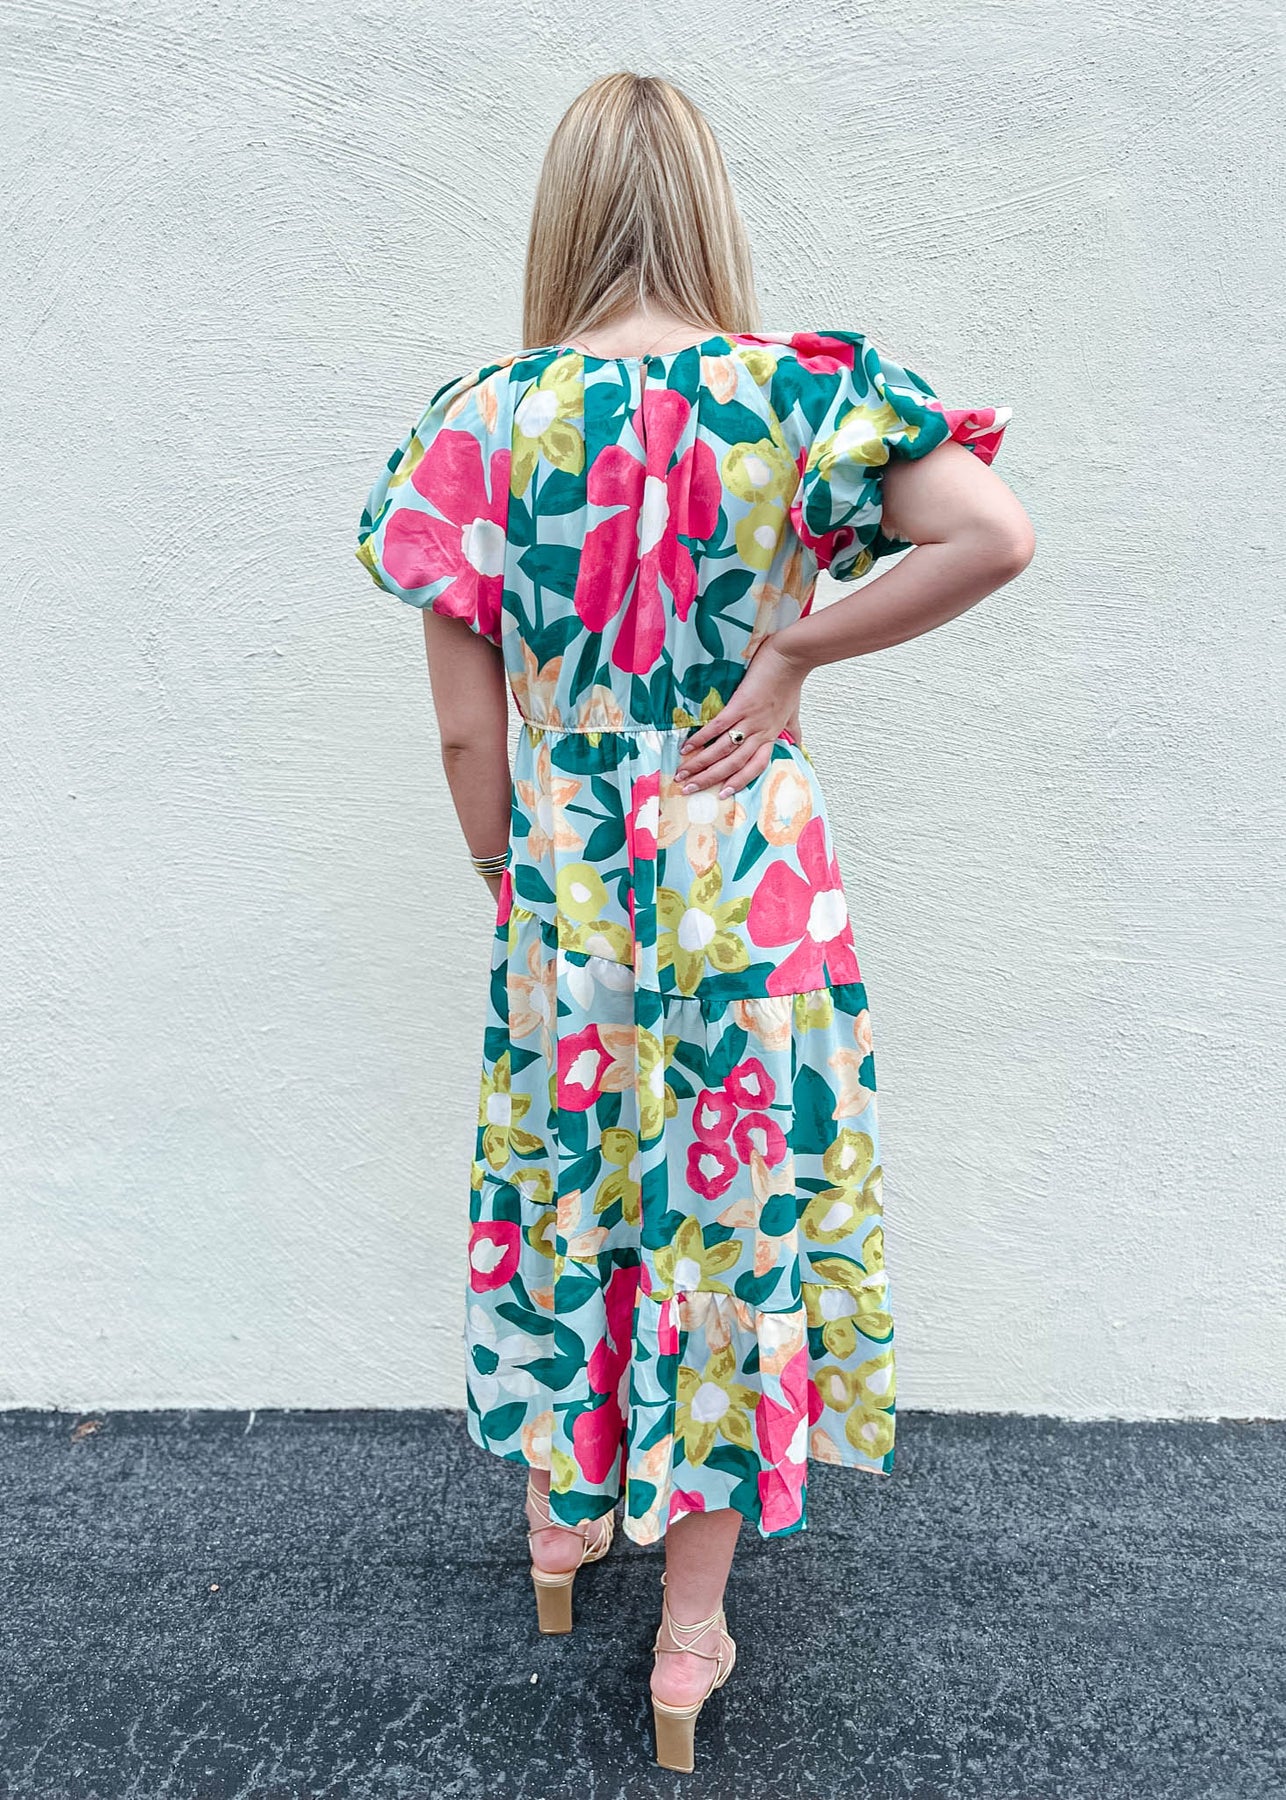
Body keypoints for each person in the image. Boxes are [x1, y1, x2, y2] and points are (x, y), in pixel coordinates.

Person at [354, 70, 1034, 1775]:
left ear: (564, 216)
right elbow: (989, 537)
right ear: (711, 210)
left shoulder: (480, 421)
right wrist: (792, 650)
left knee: (569, 1181)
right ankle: (687, 1638)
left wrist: (511, 876)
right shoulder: (802, 397)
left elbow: (464, 734)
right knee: (723, 1222)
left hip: (570, 883)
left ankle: (557, 1529)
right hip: (747, 876)